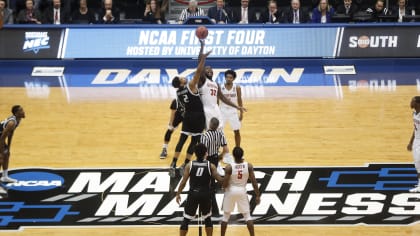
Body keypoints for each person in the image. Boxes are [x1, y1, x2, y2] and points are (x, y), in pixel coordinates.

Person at [169, 39, 210, 178]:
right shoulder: (191, 86)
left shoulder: (178, 92)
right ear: (181, 82)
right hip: (198, 116)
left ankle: (173, 164)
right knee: (194, 142)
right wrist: (203, 59)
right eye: (182, 78)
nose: (184, 77)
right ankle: (185, 164)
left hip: (187, 116)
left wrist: (202, 47)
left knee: (181, 140)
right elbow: (199, 71)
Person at [176, 143, 224, 236]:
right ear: (206, 153)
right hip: (205, 194)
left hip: (193, 194)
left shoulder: (189, 165)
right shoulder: (211, 166)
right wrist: (229, 178)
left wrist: (178, 194)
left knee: (186, 219)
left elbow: (183, 182)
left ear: (195, 153)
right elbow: (220, 180)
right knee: (207, 219)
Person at [221, 146, 260, 236]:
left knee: (225, 217)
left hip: (230, 191)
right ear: (242, 155)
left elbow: (225, 184)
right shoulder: (248, 166)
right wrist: (257, 195)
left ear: (233, 156)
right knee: (247, 216)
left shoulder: (229, 167)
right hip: (242, 190)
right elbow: (254, 182)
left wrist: (223, 186)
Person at [200, 117, 229, 216]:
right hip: (215, 159)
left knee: (208, 184)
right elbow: (226, 149)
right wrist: (219, 157)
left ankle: (213, 210)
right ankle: (213, 208)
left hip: (207, 160)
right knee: (211, 182)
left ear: (210, 124)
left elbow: (203, 152)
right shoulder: (220, 134)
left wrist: (202, 161)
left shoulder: (205, 136)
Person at [0, 105, 26, 184]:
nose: (23, 111)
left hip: (0, 137)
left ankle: (4, 177)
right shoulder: (11, 123)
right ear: (16, 113)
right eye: (21, 110)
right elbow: (2, 138)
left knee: (7, 155)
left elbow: (11, 133)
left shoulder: (18, 120)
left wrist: (8, 148)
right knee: (1, 159)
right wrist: (1, 152)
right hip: (0, 138)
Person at [220, 69, 243, 147]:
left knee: (236, 131)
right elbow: (217, 100)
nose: (228, 79)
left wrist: (241, 113)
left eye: (230, 77)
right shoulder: (220, 86)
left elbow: (239, 100)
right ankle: (219, 149)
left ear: (233, 79)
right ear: (225, 78)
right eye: (227, 77)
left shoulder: (237, 87)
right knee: (219, 131)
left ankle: (238, 148)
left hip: (233, 111)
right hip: (222, 111)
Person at [407, 96, 420, 193]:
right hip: (416, 140)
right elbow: (415, 129)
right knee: (417, 164)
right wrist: (411, 142)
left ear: (418, 103)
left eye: (413, 101)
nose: (410, 102)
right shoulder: (414, 113)